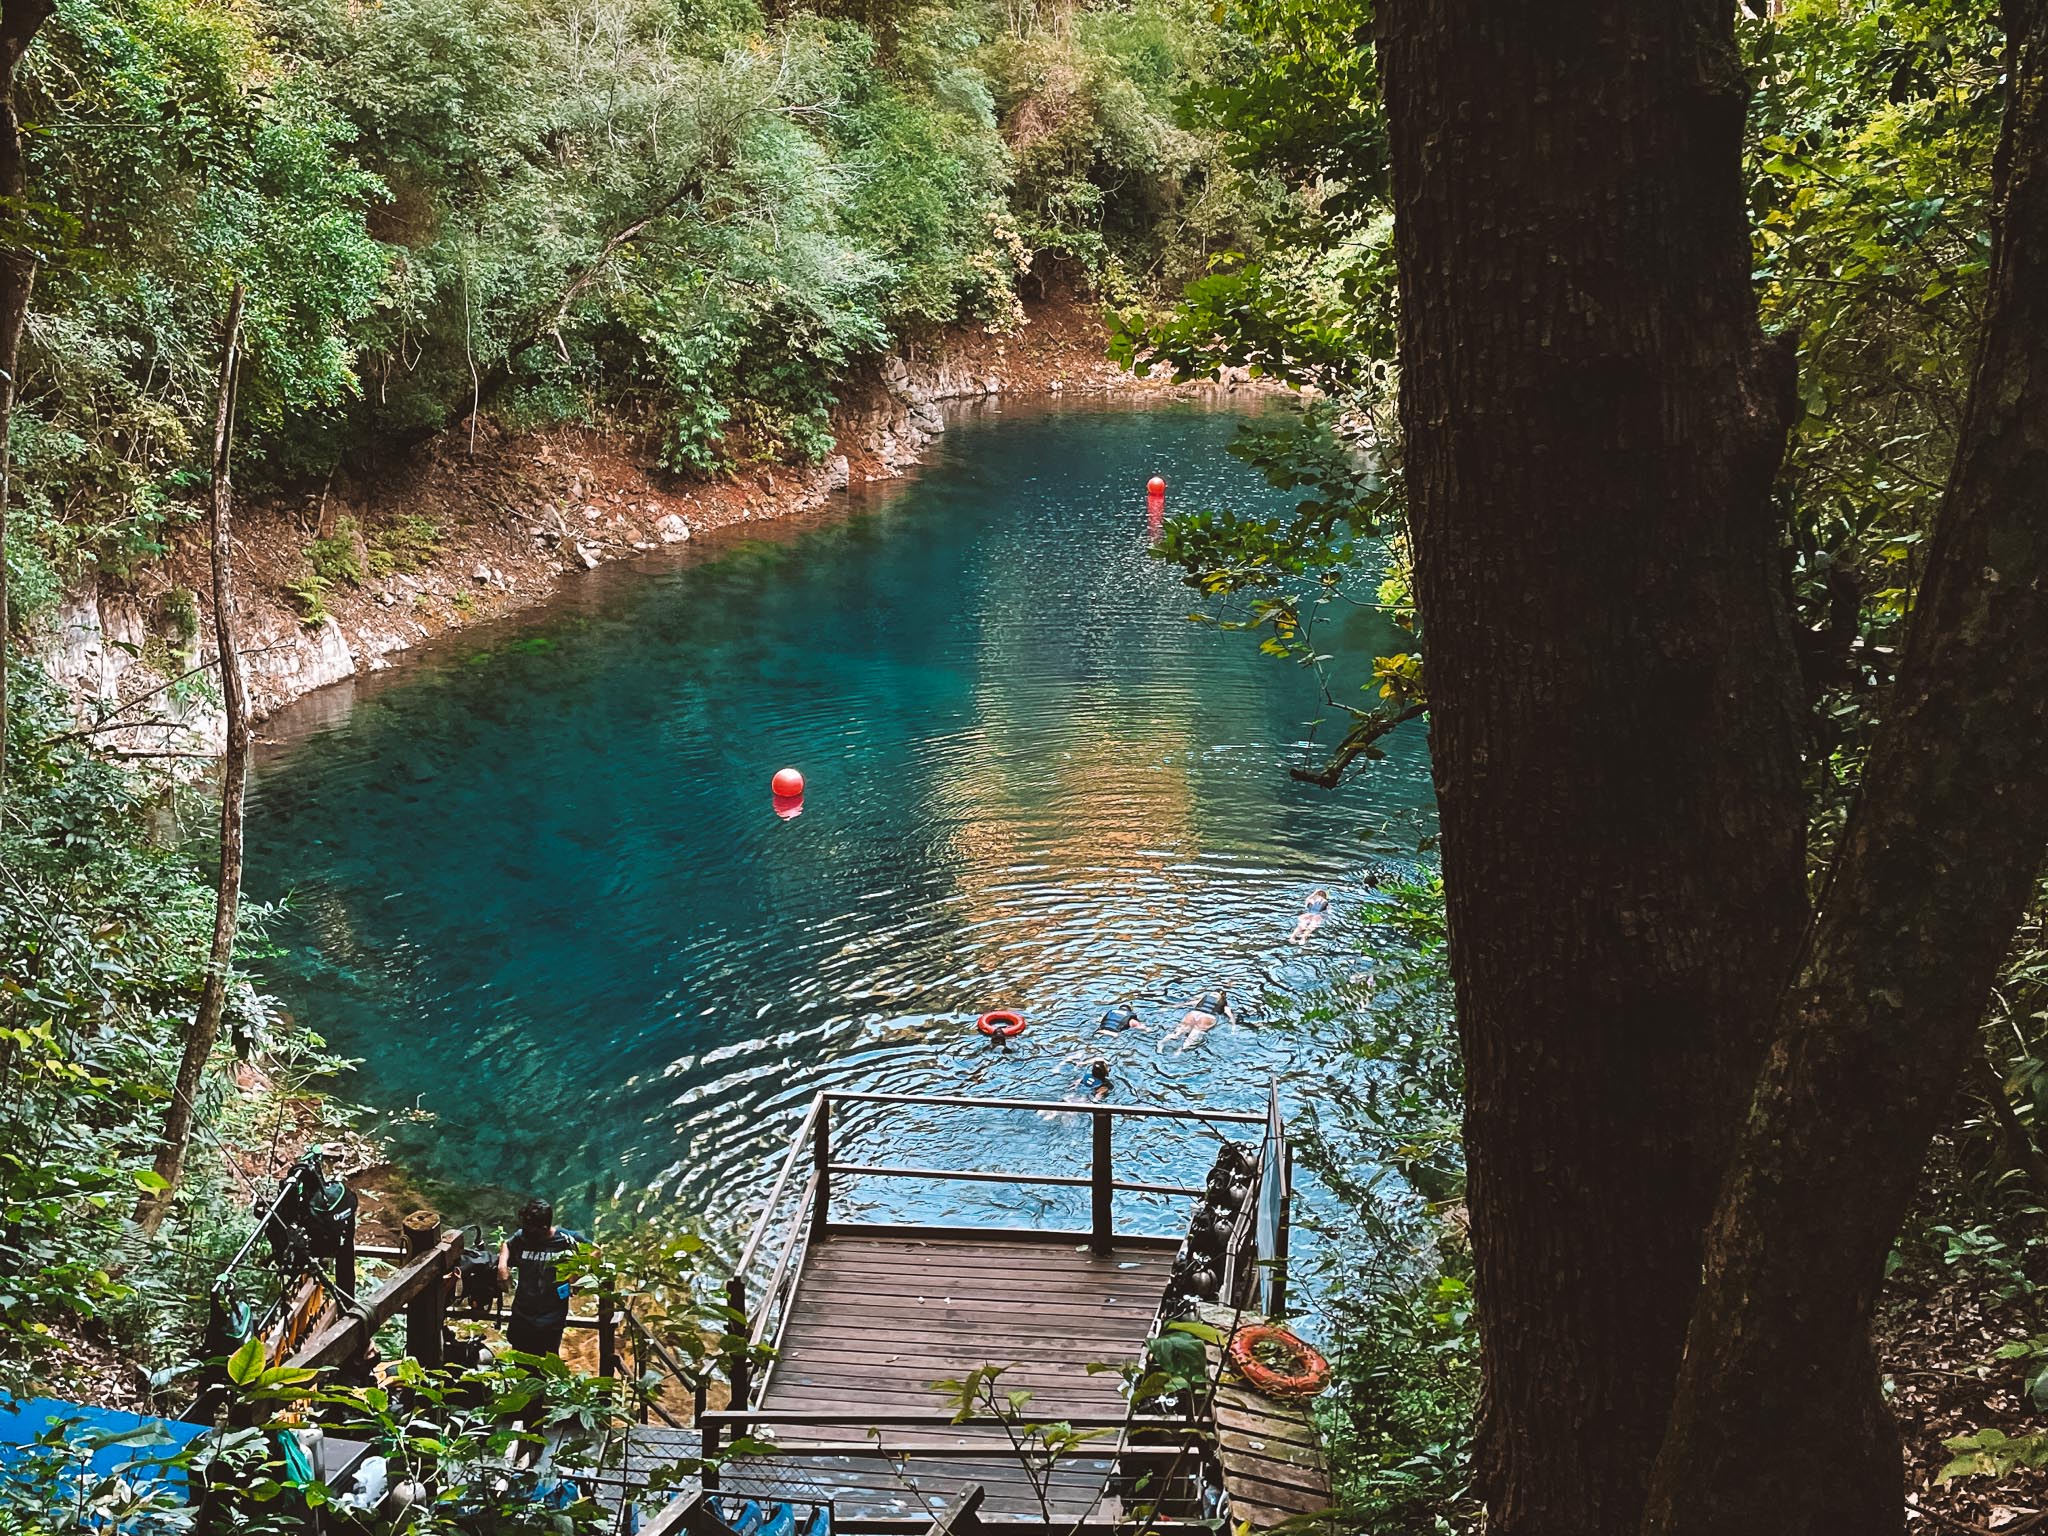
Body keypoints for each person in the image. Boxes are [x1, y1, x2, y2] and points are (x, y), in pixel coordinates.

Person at [498, 1198, 577, 1357]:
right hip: (522, 1314)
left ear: (544, 1227)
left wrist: (575, 1276)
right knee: (521, 1361)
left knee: (546, 1364)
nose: (526, 1231)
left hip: (551, 1317)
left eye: (531, 1228)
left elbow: (594, 1250)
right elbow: (507, 1244)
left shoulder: (564, 1239)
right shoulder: (523, 1237)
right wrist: (502, 1265)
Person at [1161, 989, 1230, 1053]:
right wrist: (1233, 1027)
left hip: (1193, 1014)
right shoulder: (1223, 1004)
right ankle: (1179, 1052)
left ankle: (1161, 1043)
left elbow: (1186, 1004)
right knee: (1191, 1039)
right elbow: (1229, 1014)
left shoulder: (1203, 999)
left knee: (1177, 1033)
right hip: (1208, 1017)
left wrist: (1169, 1007)